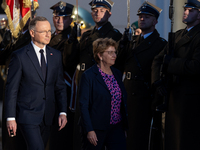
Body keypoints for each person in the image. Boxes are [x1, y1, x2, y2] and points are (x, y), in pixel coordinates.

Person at [5, 16, 68, 150]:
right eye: (43, 31)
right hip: (27, 115)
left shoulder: (55, 55)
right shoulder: (20, 56)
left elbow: (60, 86)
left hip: (48, 116)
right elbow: (12, 89)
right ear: (32, 33)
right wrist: (10, 117)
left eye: (49, 31)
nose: (48, 35)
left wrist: (63, 112)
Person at [69, 1, 122, 149]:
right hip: (85, 82)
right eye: (94, 10)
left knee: (98, 131)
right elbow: (72, 59)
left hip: (101, 85)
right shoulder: (87, 35)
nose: (97, 13)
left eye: (101, 10)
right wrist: (73, 39)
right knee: (82, 126)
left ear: (109, 13)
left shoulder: (114, 35)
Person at [152, 0, 200, 149]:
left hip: (190, 99)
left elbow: (196, 66)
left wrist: (171, 63)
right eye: (185, 9)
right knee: (171, 141)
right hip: (173, 95)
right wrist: (158, 82)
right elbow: (158, 60)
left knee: (185, 141)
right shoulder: (179, 35)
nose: (185, 12)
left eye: (190, 10)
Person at [120, 1, 167, 150]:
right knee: (122, 136)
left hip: (144, 96)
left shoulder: (160, 44)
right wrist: (122, 44)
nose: (142, 19)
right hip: (126, 92)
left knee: (138, 137)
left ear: (155, 21)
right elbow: (118, 64)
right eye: (140, 16)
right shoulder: (131, 41)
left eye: (147, 17)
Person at [79, 38, 128, 150]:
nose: (114, 55)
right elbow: (84, 105)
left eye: (115, 52)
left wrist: (123, 128)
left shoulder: (117, 73)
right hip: (96, 128)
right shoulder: (89, 76)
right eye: (110, 52)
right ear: (100, 56)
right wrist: (89, 130)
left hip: (116, 127)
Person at [47, 2, 77, 150]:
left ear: (70, 20)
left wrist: (72, 41)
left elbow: (68, 61)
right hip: (46, 91)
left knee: (59, 138)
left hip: (62, 92)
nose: (59, 21)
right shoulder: (49, 37)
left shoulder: (71, 39)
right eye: (57, 17)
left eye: (64, 18)